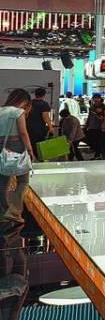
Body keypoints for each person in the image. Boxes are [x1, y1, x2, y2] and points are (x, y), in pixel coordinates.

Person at [0, 90, 35, 224]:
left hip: (2, 146)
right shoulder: (18, 112)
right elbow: (23, 132)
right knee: (23, 181)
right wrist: (30, 150)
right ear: (24, 100)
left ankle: (3, 212)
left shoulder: (1, 110)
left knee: (3, 182)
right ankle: (14, 212)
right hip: (16, 146)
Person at [25, 87, 53, 156]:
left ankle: (30, 158)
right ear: (44, 95)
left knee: (30, 145)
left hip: (28, 128)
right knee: (39, 148)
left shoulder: (29, 103)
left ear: (35, 94)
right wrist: (50, 127)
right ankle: (39, 160)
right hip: (39, 129)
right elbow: (45, 117)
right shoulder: (44, 104)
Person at [84, 94, 105, 159]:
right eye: (94, 98)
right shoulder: (92, 107)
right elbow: (89, 117)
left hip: (100, 127)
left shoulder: (104, 107)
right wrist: (87, 125)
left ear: (100, 99)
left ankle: (98, 155)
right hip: (92, 126)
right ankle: (98, 154)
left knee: (98, 142)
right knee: (91, 141)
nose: (95, 99)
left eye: (97, 98)